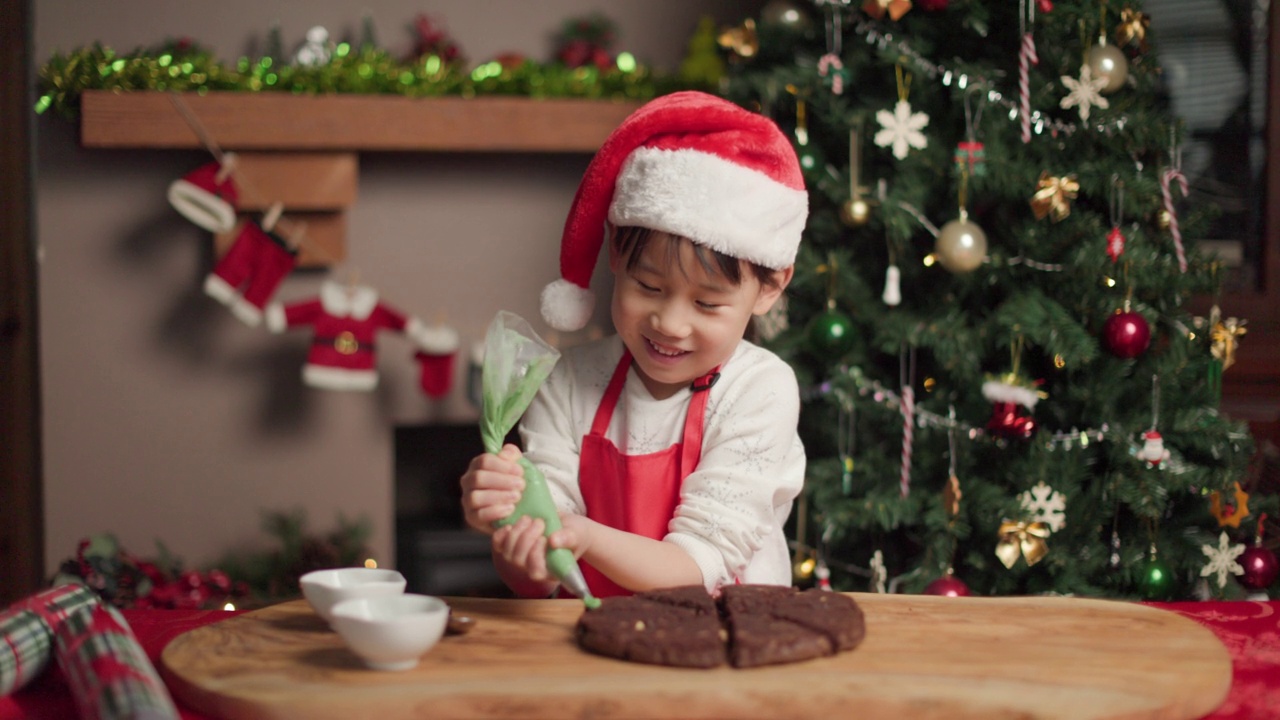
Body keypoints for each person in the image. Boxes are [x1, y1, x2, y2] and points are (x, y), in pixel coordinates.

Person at [461, 90, 809, 599]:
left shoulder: (760, 389)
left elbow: (700, 564)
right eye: (649, 287)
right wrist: (514, 528)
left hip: (730, 648)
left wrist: (580, 535)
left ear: (770, 287)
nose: (669, 323)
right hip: (594, 645)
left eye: (707, 304)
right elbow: (536, 576)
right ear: (617, 259)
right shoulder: (567, 381)